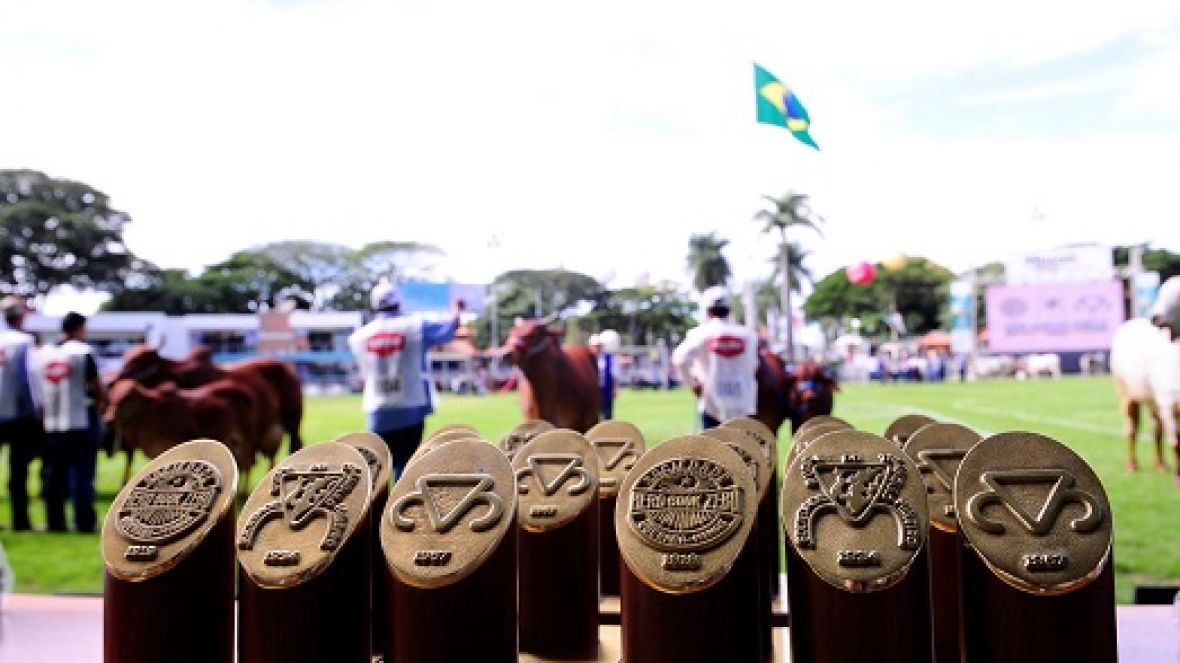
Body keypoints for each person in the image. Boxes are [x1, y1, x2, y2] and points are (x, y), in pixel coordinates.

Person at [349, 282, 462, 477]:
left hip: (377, 409)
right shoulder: (416, 326)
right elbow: (451, 326)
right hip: (411, 407)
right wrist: (457, 309)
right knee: (405, 469)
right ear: (399, 304)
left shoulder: (359, 337)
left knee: (378, 472)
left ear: (374, 306)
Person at [36, 312, 103, 533]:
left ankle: (55, 523)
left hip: (51, 424)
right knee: (83, 474)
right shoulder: (83, 352)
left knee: (55, 474)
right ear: (79, 328)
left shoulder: (43, 354)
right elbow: (96, 386)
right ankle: (83, 522)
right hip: (81, 420)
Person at [671, 286, 759, 430]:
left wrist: (693, 384)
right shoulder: (749, 335)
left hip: (712, 405)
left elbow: (679, 358)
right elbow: (754, 366)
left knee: (712, 450)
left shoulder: (700, 333)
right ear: (729, 309)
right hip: (742, 405)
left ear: (708, 311)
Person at [0, 297, 41, 531]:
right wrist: (38, 411)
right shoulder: (25, 341)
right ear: (20, 316)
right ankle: (20, 520)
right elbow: (32, 380)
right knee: (18, 472)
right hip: (19, 414)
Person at [589, 330, 620, 420]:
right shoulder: (588, 358)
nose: (597, 348)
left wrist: (615, 388)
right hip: (593, 390)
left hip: (606, 390)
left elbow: (615, 374)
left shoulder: (609, 358)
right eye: (595, 346)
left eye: (599, 346)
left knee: (607, 414)